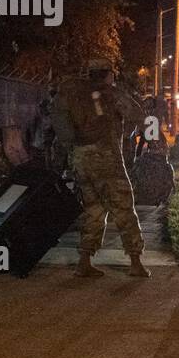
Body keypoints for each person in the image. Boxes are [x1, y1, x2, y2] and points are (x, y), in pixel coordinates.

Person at [51, 56, 150, 278]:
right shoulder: (110, 93)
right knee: (123, 206)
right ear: (108, 74)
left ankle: (84, 261)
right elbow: (137, 115)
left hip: (80, 158)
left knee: (93, 209)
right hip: (106, 158)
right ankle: (135, 261)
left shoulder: (73, 93)